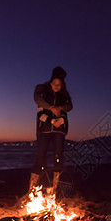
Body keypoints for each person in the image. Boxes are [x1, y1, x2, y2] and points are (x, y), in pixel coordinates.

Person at [29, 66, 73, 194]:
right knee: (40, 158)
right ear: (51, 81)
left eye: (59, 84)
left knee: (58, 158)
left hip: (59, 131)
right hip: (44, 129)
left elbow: (69, 106)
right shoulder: (41, 89)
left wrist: (60, 110)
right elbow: (37, 100)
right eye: (55, 83)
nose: (57, 86)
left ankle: (54, 189)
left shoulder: (64, 94)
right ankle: (31, 189)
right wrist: (51, 108)